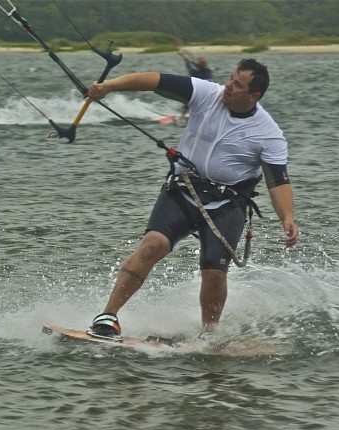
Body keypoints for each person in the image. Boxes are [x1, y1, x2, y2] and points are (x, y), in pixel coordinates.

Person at [84, 59, 299, 342]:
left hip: (228, 203)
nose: (228, 86)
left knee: (213, 272)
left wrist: (287, 217)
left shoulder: (267, 133)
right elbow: (155, 79)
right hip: (183, 189)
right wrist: (109, 87)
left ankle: (209, 335)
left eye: (237, 85)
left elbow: (278, 181)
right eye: (230, 78)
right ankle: (108, 317)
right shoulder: (206, 93)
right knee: (152, 245)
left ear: (253, 96)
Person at [180, 50, 212, 121]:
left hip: (205, 92)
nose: (203, 64)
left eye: (203, 62)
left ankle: (201, 115)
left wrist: (188, 61)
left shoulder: (207, 71)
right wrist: (187, 61)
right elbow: (193, 67)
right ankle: (182, 116)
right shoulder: (201, 71)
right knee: (188, 101)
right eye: (201, 62)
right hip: (195, 91)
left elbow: (198, 67)